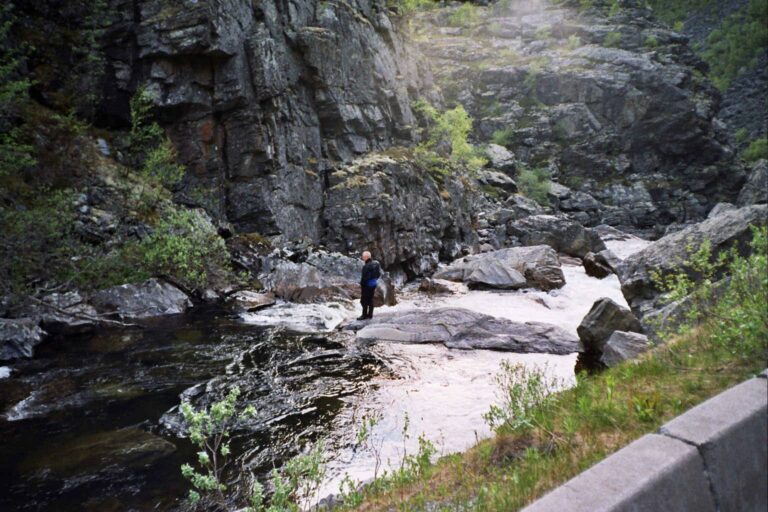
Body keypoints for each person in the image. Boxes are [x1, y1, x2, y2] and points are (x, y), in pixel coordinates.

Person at [358, 250, 381, 320]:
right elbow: (378, 274)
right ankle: (370, 314)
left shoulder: (366, 266)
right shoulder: (376, 264)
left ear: (366, 257)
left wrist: (362, 285)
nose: (362, 258)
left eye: (363, 256)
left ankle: (364, 315)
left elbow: (364, 278)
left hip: (367, 285)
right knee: (370, 299)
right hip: (373, 284)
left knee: (363, 300)